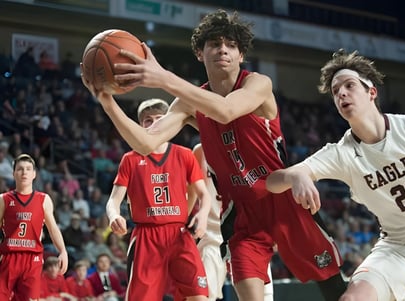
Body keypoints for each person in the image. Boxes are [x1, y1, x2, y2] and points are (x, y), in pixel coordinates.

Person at [82, 9, 347, 301]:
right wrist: (107, 103)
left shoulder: (258, 84)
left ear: (240, 54)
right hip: (240, 209)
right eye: (215, 44)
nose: (223, 49)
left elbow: (226, 110)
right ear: (200, 52)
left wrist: (164, 78)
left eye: (231, 45)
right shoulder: (187, 103)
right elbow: (145, 143)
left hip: (282, 196)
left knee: (332, 286)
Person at [265, 49, 405, 301]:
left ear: (371, 92)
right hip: (397, 248)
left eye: (349, 85)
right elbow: (273, 182)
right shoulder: (341, 154)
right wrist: (295, 176)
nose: (341, 93)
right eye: (335, 91)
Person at [105, 98, 211, 301]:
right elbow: (113, 199)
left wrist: (203, 215)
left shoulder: (185, 155)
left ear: (170, 121)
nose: (154, 123)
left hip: (179, 234)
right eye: (147, 120)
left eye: (160, 119)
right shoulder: (131, 158)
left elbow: (204, 193)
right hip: (147, 236)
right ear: (140, 125)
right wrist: (113, 215)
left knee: (199, 296)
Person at [191, 143, 275, 301]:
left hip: (247, 232)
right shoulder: (201, 151)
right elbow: (196, 193)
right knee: (203, 295)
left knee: (264, 297)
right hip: (212, 234)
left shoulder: (247, 146)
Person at [0, 153, 68, 300]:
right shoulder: (3, 199)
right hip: (8, 257)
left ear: (34, 174)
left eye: (28, 169)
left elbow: (53, 228)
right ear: (13, 173)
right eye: (20, 169)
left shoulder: (44, 199)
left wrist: (63, 250)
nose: (24, 172)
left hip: (33, 259)